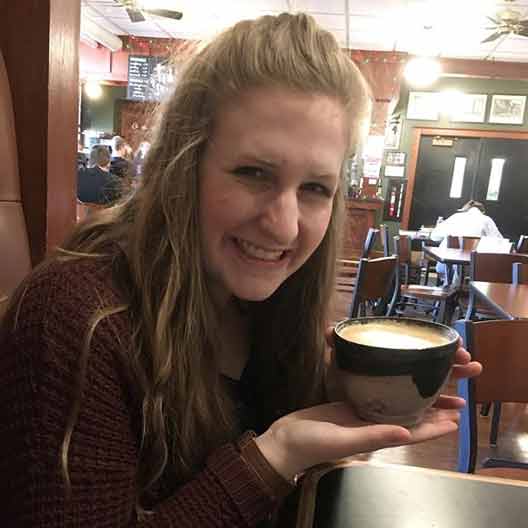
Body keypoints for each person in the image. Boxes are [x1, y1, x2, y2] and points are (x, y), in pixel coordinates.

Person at [0, 13, 481, 526]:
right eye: (254, 173)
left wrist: (340, 396)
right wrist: (275, 457)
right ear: (182, 168)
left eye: (315, 188)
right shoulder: (73, 317)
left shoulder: (273, 311)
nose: (284, 225)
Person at [430, 200, 504, 281]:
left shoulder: (455, 217)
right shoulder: (486, 220)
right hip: (474, 268)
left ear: (464, 209)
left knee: (447, 269)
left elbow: (434, 237)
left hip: (446, 266)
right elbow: (500, 243)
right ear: (482, 211)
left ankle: (448, 286)